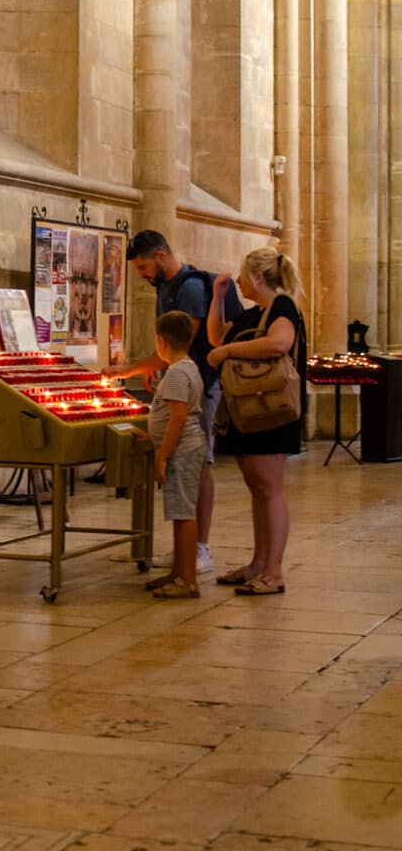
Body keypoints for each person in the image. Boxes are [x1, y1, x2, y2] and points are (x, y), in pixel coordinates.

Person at [105, 229, 241, 574]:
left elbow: (182, 344)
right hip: (179, 381)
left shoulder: (192, 289)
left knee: (200, 464)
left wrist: (129, 369)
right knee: (185, 469)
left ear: (161, 255)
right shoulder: (164, 287)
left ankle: (200, 549)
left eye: (143, 266)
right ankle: (183, 550)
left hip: (201, 387)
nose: (142, 274)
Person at [206, 247, 306, 595]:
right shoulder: (254, 314)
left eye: (242, 275)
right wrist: (219, 299)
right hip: (247, 410)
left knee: (270, 489)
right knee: (257, 490)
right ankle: (258, 563)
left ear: (258, 277)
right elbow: (216, 338)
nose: (237, 280)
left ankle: (274, 571)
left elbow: (280, 342)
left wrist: (230, 352)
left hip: (270, 411)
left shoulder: (282, 306)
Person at [145, 311, 208, 600]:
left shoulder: (175, 373)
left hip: (181, 452)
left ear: (161, 341)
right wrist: (151, 437)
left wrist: (162, 455)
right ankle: (179, 571)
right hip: (187, 448)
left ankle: (188, 580)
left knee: (184, 515)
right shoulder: (189, 367)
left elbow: (178, 418)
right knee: (180, 513)